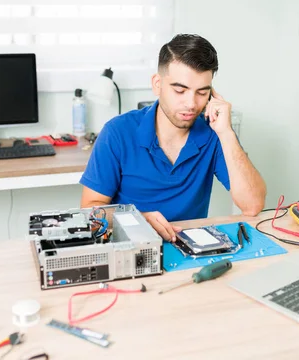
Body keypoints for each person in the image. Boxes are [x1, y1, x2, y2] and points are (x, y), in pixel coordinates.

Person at [79, 34, 266, 242]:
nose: (191, 104)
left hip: (190, 250)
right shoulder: (117, 132)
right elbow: (90, 211)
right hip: (132, 247)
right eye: (180, 90)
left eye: (202, 93)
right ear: (157, 84)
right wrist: (138, 219)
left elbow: (252, 205)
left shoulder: (215, 135)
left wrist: (227, 133)